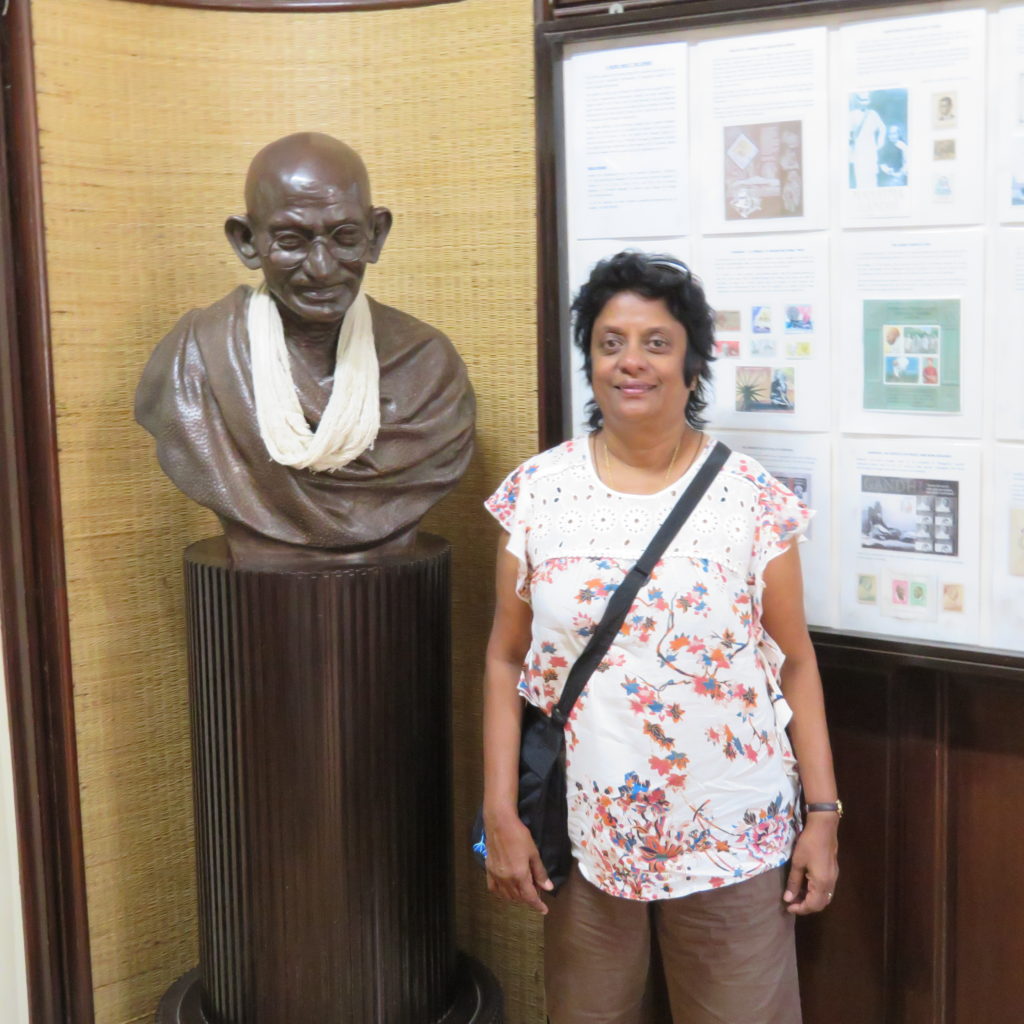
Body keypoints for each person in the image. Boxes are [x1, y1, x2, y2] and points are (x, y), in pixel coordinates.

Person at [481, 252, 840, 1023]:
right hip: (585, 832)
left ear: (693, 360)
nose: (630, 362)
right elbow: (506, 659)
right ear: (589, 359)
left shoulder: (750, 498)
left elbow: (797, 666)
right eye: (610, 342)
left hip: (732, 835)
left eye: (655, 341)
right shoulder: (538, 491)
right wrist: (498, 813)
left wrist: (824, 815)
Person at [136, 132, 475, 556]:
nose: (321, 267)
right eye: (291, 241)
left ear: (376, 233)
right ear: (246, 241)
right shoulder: (194, 360)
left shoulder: (429, 368)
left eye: (344, 237)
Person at [848, 92, 886, 188]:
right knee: (860, 176)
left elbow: (882, 128)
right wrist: (850, 148)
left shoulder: (873, 114)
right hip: (859, 149)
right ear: (857, 101)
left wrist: (879, 144)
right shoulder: (852, 115)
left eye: (865, 100)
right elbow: (847, 132)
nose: (863, 103)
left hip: (870, 148)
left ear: (869, 101)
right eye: (861, 100)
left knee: (872, 175)